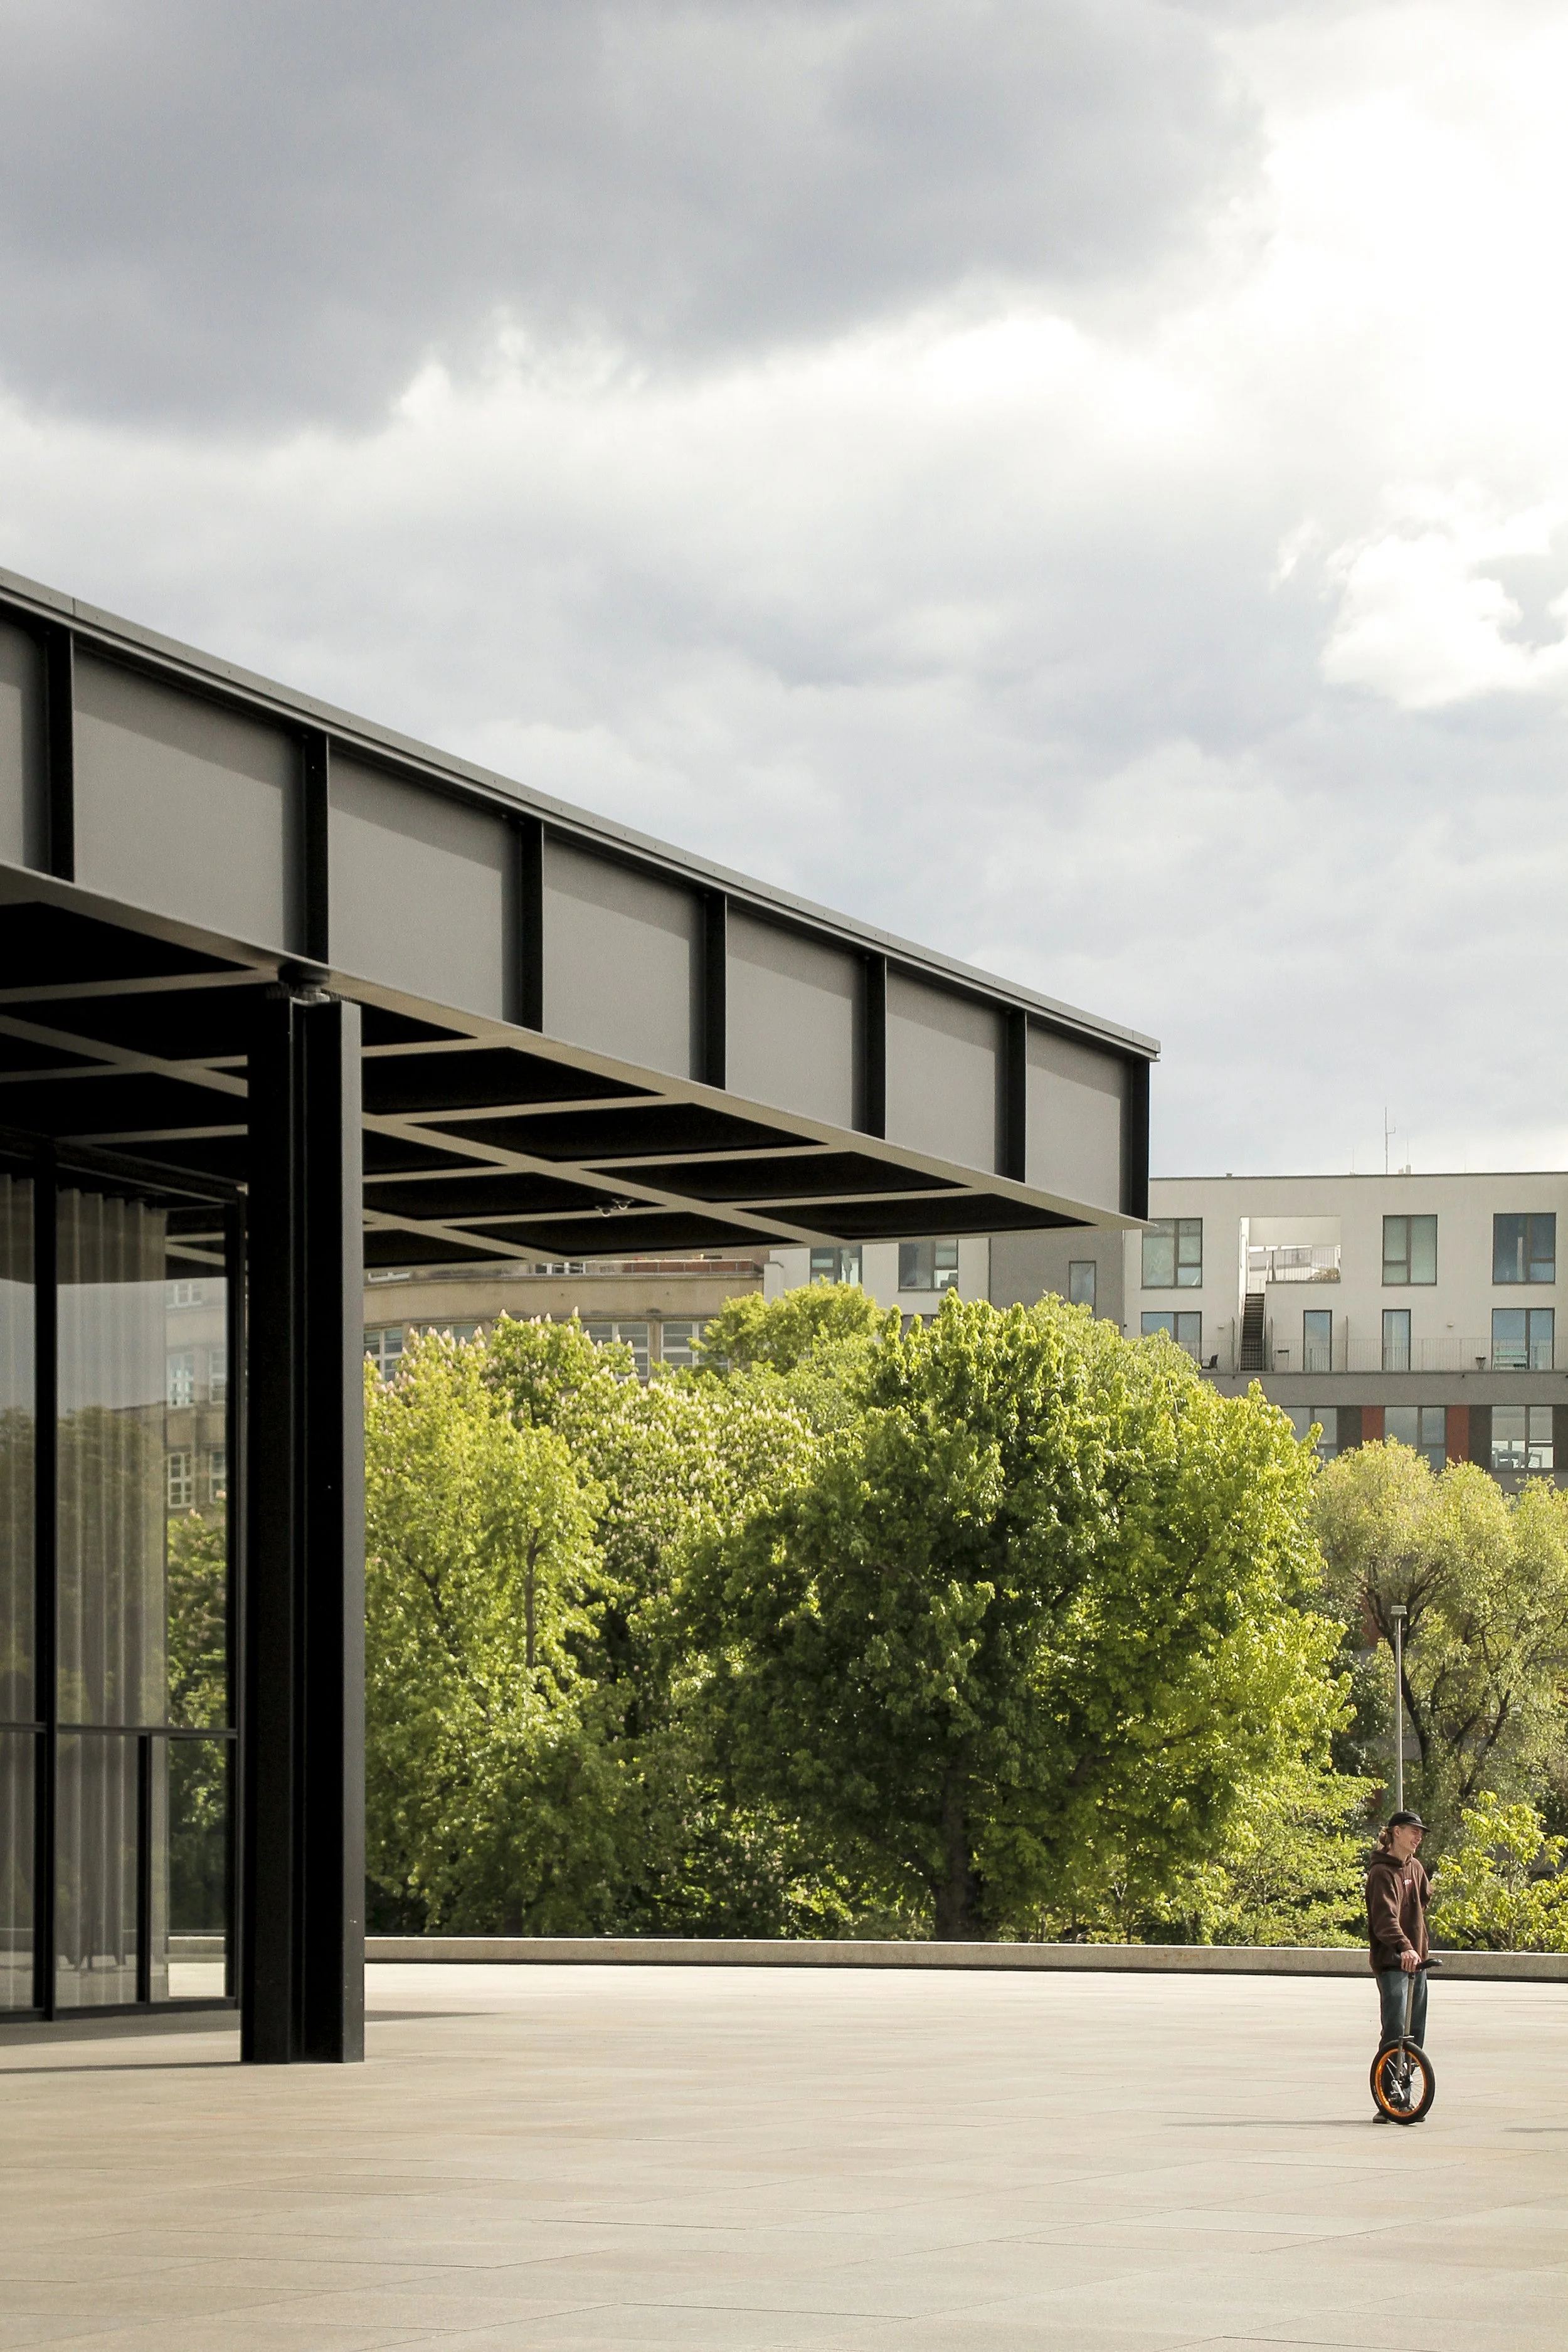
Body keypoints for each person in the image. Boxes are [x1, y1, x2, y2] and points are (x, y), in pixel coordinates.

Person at [1367, 1809, 1431, 2065]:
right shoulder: (1382, 1873)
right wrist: (1404, 1945)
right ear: (1397, 1832)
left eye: (1421, 1834)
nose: (1419, 1838)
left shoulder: (1415, 1866)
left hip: (1418, 1960)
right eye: (1414, 1831)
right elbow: (1385, 1920)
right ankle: (1387, 2087)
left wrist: (1417, 1940)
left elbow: (1423, 1897)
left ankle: (1406, 2085)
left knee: (1416, 2030)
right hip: (1393, 1961)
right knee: (1395, 2029)